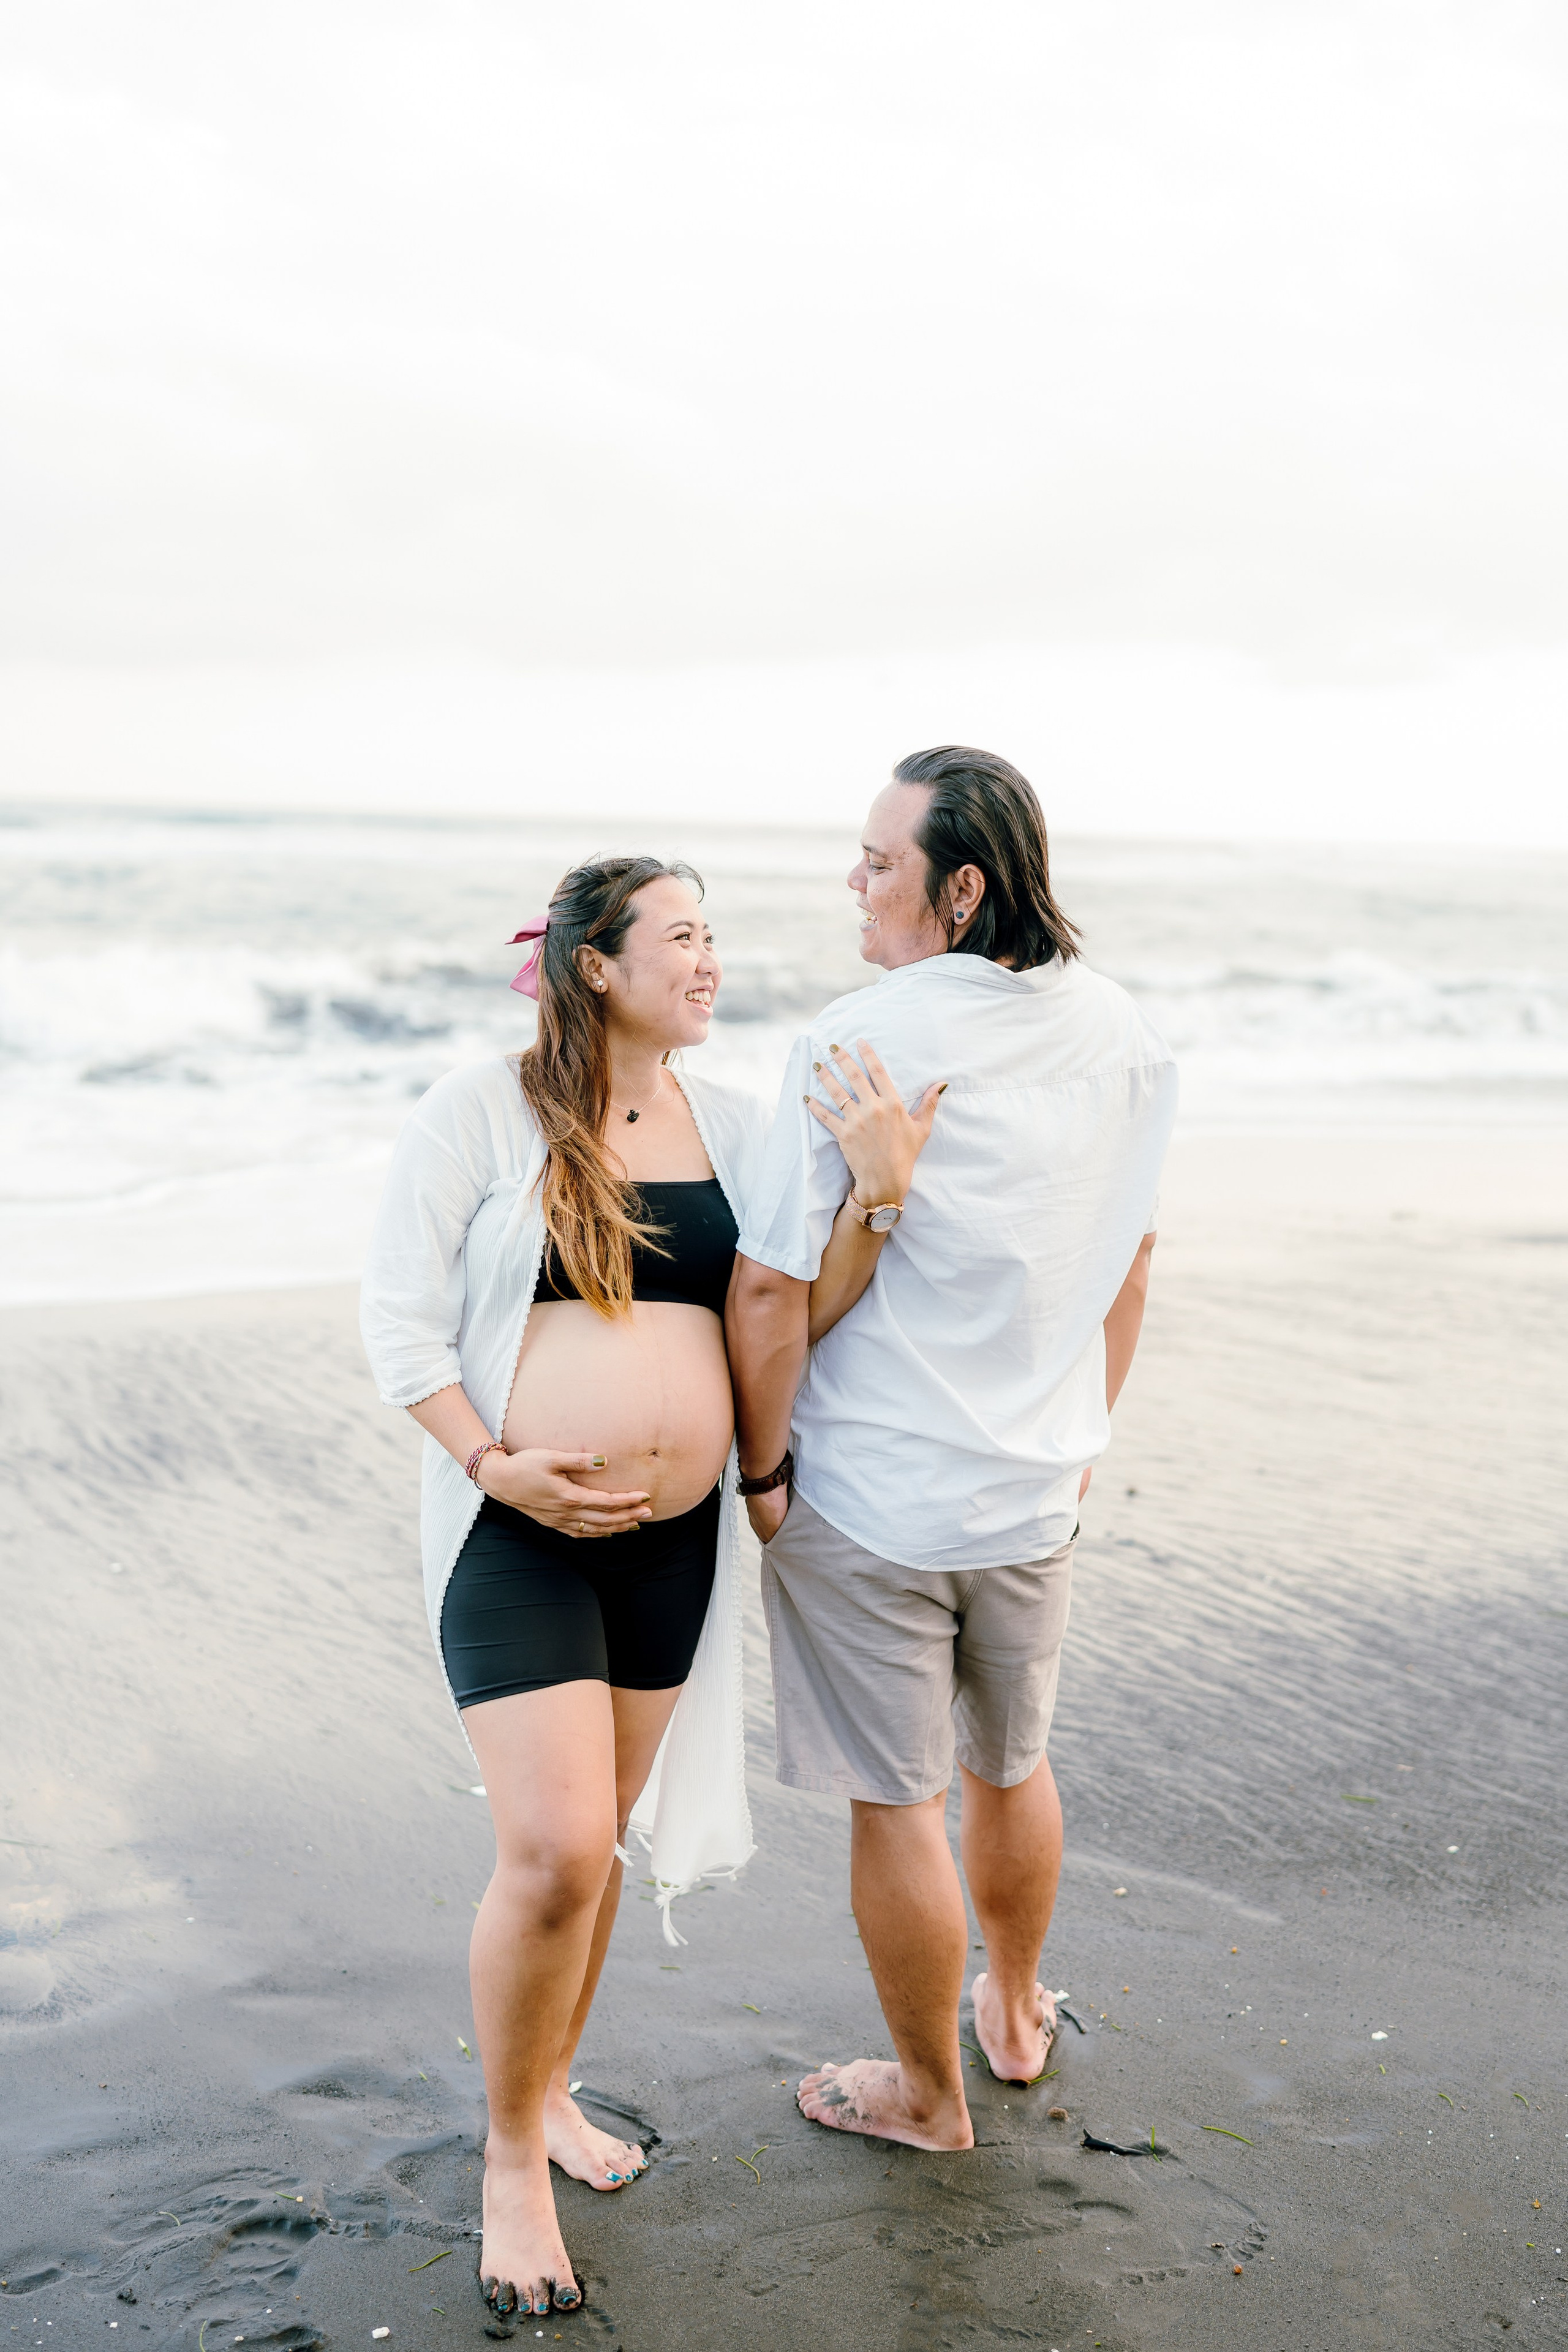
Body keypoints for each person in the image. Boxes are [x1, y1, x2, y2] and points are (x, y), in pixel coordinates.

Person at [358, 854, 919, 2323]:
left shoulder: (731, 1129)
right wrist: (493, 1464)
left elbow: (789, 1312)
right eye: (681, 936)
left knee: (594, 1849)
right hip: (517, 1534)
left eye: (714, 935)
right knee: (549, 1849)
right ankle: (508, 2159)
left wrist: (876, 1201)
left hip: (677, 1548)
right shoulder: (478, 1113)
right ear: (596, 964)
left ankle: (545, 2094)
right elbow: (399, 1325)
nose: (710, 959)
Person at [728, 746, 1178, 2154]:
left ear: (960, 886)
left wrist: (758, 1471)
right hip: (1035, 1485)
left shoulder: (856, 1040)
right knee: (1010, 1762)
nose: (850, 882)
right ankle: (1015, 2007)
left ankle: (926, 2097)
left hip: (872, 1494)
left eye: (877, 861)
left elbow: (763, 1289)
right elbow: (1129, 1259)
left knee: (895, 1802)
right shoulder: (1120, 1033)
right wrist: (1081, 1424)